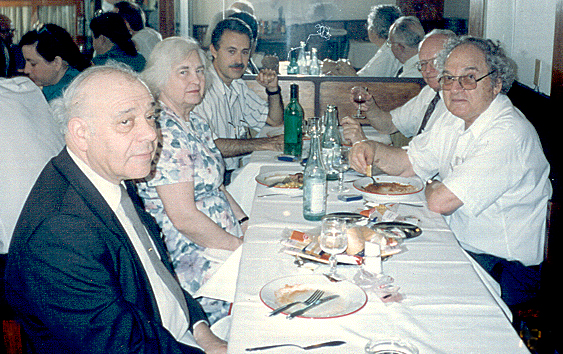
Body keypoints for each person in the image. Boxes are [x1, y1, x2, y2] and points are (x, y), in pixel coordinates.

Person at [4, 64, 228, 354]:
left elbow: (158, 276)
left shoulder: (113, 176)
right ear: (81, 133)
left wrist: (202, 332)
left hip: (176, 336)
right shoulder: (60, 231)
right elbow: (122, 347)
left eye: (151, 116)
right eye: (126, 122)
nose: (151, 134)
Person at [349, 36, 551, 308]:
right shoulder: (455, 117)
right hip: (460, 246)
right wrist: (369, 147)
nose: (456, 89)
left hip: (505, 270)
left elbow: (439, 201)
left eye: (469, 78)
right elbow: (409, 163)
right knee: (370, 266)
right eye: (448, 78)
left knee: (398, 290)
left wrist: (431, 181)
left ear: (496, 83)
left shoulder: (508, 133)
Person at [137, 37, 245, 324]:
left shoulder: (194, 121)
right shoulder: (164, 131)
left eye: (199, 70)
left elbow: (215, 185)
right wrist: (238, 248)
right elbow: (183, 218)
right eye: (183, 72)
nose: (195, 79)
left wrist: (246, 223)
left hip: (218, 241)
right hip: (191, 253)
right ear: (160, 79)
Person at [193, 18, 284, 184]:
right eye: (231, 51)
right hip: (213, 180)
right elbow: (211, 145)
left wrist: (273, 89)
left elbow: (275, 121)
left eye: (244, 52)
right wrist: (264, 143)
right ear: (214, 50)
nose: (240, 61)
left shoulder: (237, 86)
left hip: (232, 174)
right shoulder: (201, 89)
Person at [341, 29, 457, 145]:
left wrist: (362, 142)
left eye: (435, 62)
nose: (427, 70)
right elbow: (389, 125)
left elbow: (426, 158)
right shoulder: (429, 93)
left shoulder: (458, 103)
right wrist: (370, 107)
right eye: (423, 64)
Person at [322, 5, 402, 77]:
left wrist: (336, 68)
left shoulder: (388, 53)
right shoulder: (392, 48)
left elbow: (362, 83)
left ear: (372, 30)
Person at [19, 24, 90, 101]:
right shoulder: (52, 83)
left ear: (57, 63)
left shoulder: (68, 95)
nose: (26, 70)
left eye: (33, 64)